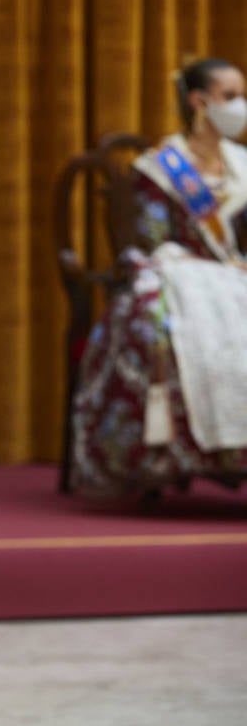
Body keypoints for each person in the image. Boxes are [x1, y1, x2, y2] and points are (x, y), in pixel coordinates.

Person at [70, 57, 247, 498]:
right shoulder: (162, 167)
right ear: (199, 101)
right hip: (182, 274)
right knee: (165, 323)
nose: (240, 106)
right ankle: (167, 456)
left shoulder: (242, 164)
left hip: (237, 274)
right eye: (231, 97)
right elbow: (153, 242)